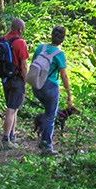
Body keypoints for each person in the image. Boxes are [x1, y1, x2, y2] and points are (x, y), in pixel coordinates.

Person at [32, 25, 72, 154]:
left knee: (48, 111)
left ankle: (43, 135)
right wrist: (69, 93)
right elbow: (64, 75)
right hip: (50, 87)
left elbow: (33, 63)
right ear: (63, 39)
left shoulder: (41, 48)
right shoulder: (59, 54)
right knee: (51, 115)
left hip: (37, 85)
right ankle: (46, 145)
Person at [0, 18, 30, 149]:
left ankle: (12, 134)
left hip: (6, 79)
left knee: (14, 107)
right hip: (17, 79)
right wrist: (25, 81)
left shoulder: (1, 41)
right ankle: (6, 139)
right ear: (20, 29)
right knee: (11, 109)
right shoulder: (20, 43)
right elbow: (24, 65)